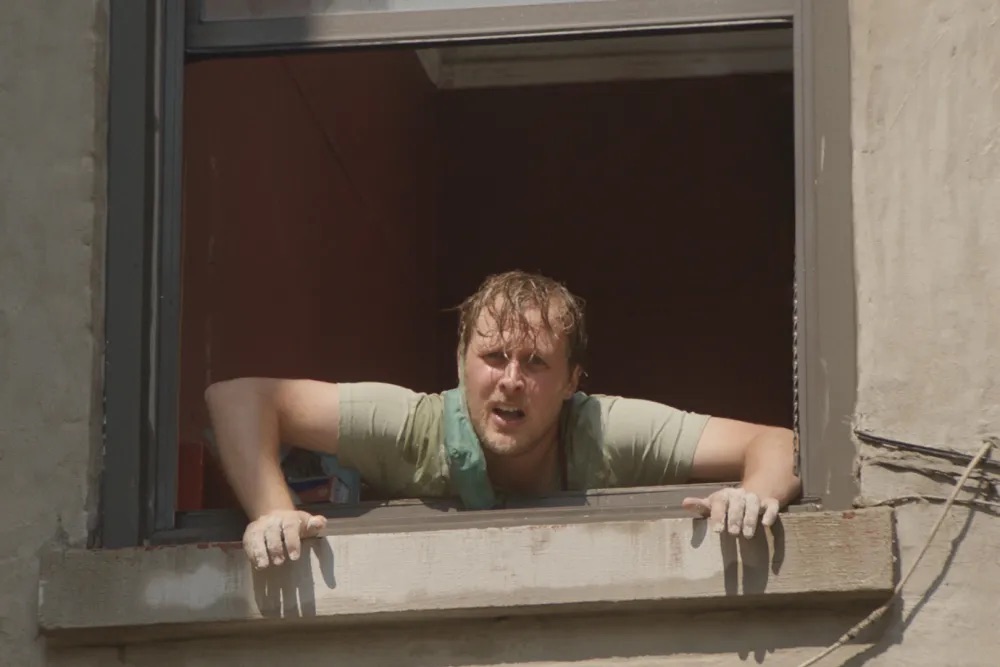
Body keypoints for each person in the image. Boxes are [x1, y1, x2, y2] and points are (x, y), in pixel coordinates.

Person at [206, 270, 801, 570]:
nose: (511, 379)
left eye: (536, 363)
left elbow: (778, 443)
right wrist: (274, 511)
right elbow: (239, 399)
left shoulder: (600, 427)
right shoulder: (418, 425)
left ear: (572, 383)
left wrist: (752, 495)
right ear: (461, 366)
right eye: (493, 357)